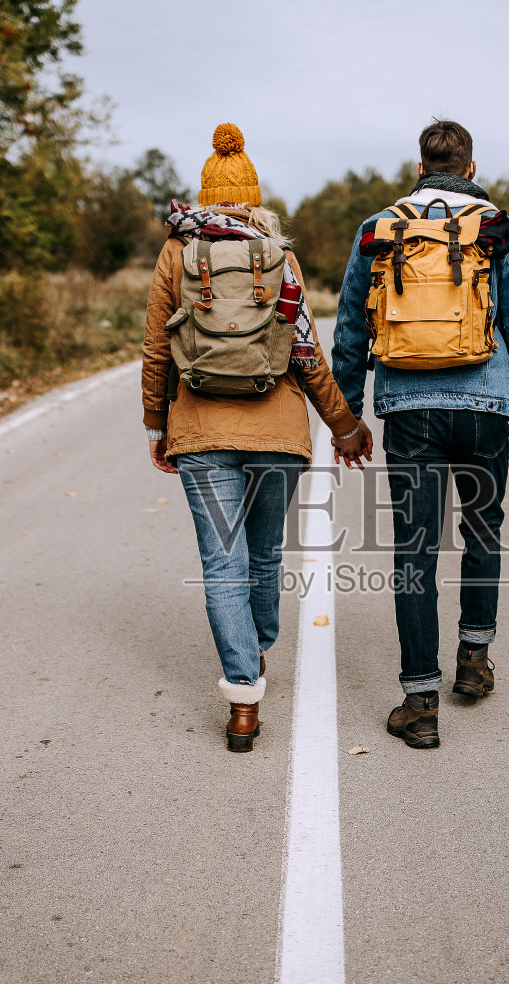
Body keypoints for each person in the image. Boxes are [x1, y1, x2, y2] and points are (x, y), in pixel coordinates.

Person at [142, 123, 370, 753]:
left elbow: (157, 348)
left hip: (199, 429)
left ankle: (243, 697)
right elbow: (307, 354)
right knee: (264, 554)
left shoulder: (177, 254)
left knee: (222, 562)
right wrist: (343, 425)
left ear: (204, 194)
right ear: (255, 197)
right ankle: (259, 647)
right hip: (277, 432)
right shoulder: (279, 258)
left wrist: (158, 425)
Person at [331, 118, 509, 749]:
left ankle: (420, 702)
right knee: (483, 531)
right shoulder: (498, 228)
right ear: (471, 169)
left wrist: (349, 419)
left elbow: (351, 327)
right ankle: (474, 663)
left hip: (407, 408)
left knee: (414, 550)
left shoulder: (381, 229)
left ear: (420, 166)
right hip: (484, 407)